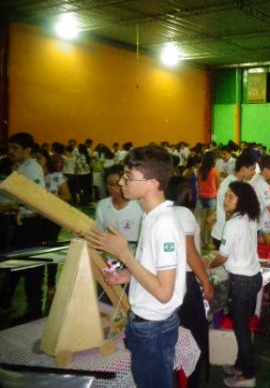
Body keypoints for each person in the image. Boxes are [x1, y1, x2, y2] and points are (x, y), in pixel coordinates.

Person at [86, 145, 186, 388]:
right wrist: (129, 275)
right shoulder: (150, 216)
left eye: (128, 178)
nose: (121, 182)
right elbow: (155, 272)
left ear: (151, 183)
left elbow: (164, 292)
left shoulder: (163, 225)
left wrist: (123, 253)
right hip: (148, 323)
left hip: (154, 328)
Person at [209, 182, 262, 387]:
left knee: (241, 329)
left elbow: (222, 257)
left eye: (230, 197)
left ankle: (248, 374)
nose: (225, 200)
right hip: (252, 278)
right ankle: (241, 363)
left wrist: (208, 266)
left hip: (241, 282)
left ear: (242, 199)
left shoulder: (232, 224)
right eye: (226, 196)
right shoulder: (249, 218)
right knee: (244, 326)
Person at [166, 176, 213, 388]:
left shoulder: (160, 213)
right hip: (184, 282)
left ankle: (176, 378)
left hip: (166, 279)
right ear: (187, 194)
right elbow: (188, 251)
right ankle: (191, 381)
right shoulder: (183, 213)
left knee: (174, 335)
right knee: (197, 337)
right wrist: (205, 280)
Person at [0, 133, 46, 321]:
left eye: (15, 148)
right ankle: (7, 304)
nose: (10, 152)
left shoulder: (32, 169)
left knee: (32, 268)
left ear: (27, 150)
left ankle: (34, 310)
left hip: (31, 223)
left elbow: (36, 199)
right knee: (17, 264)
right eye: (9, 148)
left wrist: (14, 205)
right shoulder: (21, 168)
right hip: (21, 222)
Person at [34, 148, 71, 308]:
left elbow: (67, 197)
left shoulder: (57, 176)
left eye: (39, 158)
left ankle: (51, 284)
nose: (36, 162)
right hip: (34, 219)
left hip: (51, 219)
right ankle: (36, 285)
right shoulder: (32, 177)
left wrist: (48, 196)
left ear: (46, 160)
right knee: (36, 251)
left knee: (50, 250)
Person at [211, 151, 257, 249]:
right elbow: (228, 212)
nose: (254, 172)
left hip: (233, 233)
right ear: (244, 168)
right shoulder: (229, 185)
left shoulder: (242, 183)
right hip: (225, 235)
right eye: (252, 169)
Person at [95, 165, 144, 252]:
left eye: (118, 183)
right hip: (111, 254)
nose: (113, 188)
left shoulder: (139, 205)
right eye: (110, 184)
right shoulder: (102, 205)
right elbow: (99, 233)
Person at [197, 151, 219, 248]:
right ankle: (210, 243)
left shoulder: (200, 170)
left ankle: (201, 243)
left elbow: (198, 184)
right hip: (211, 197)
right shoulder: (214, 171)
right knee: (210, 221)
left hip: (201, 197)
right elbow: (218, 184)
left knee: (202, 221)